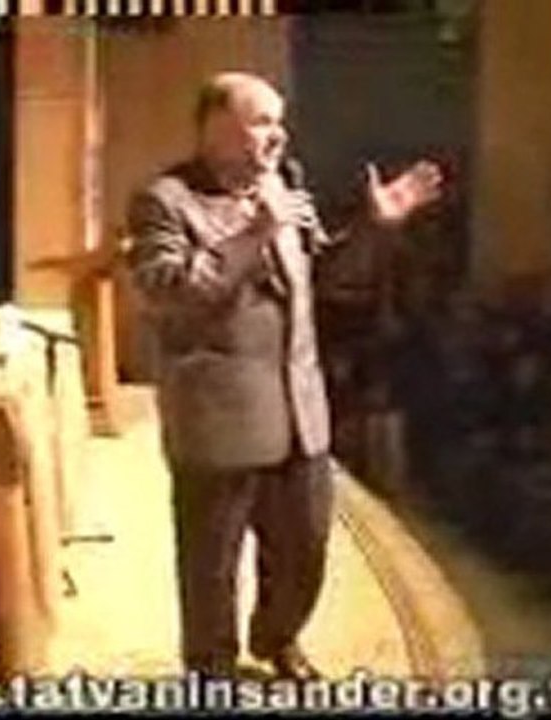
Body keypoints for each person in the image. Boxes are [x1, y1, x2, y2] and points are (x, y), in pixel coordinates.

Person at [124, 71, 442, 680]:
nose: (279, 136)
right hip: (219, 417)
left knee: (305, 549)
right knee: (211, 565)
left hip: (300, 412)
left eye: (280, 122)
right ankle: (211, 671)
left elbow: (326, 278)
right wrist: (255, 233)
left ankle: (277, 636)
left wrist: (374, 227)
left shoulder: (283, 184)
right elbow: (171, 295)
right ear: (215, 127)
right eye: (263, 122)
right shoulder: (165, 201)